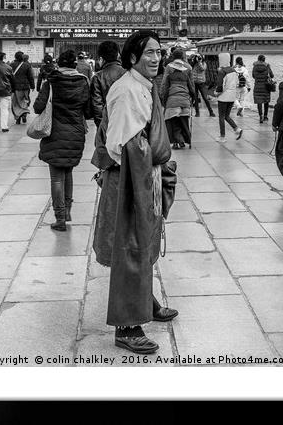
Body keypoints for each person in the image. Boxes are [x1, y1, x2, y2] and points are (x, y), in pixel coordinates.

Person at [91, 30, 178, 354]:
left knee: (145, 240)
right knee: (131, 245)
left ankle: (145, 298)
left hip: (143, 173)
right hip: (130, 177)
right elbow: (123, 145)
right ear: (131, 58)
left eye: (159, 52)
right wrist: (154, 157)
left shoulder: (144, 85)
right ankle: (128, 326)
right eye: (149, 53)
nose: (156, 58)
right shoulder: (127, 90)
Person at [33, 50, 91, 231]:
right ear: (75, 64)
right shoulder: (83, 81)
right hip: (75, 133)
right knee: (68, 172)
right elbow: (88, 111)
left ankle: (60, 218)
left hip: (54, 133)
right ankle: (67, 211)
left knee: (56, 178)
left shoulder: (51, 82)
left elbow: (37, 107)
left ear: (59, 64)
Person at [160, 47, 196, 149]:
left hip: (172, 99)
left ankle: (176, 141)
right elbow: (192, 85)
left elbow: (164, 84)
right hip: (185, 99)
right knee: (183, 121)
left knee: (173, 121)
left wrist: (162, 96)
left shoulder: (168, 67)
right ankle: (183, 140)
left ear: (173, 56)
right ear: (183, 56)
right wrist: (193, 98)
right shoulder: (188, 67)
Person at [89, 40, 126, 128]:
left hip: (106, 124)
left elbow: (97, 105)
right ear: (118, 55)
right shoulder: (128, 74)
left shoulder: (98, 77)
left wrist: (102, 126)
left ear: (101, 58)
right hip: (126, 125)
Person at [214, 62, 243, 143]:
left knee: (221, 117)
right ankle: (237, 129)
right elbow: (237, 83)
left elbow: (220, 86)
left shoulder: (222, 71)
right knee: (226, 116)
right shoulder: (234, 71)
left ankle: (222, 137)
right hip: (231, 97)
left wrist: (216, 93)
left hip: (223, 97)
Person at [10, 51, 35, 125]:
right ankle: (24, 114)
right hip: (25, 87)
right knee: (25, 100)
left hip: (15, 87)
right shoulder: (27, 65)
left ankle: (17, 117)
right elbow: (30, 77)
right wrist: (32, 86)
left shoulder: (11, 65)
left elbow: (10, 76)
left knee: (16, 102)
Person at [252, 54, 274, 123]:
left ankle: (260, 115)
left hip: (257, 86)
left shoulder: (255, 67)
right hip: (265, 86)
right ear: (264, 60)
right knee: (266, 101)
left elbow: (253, 76)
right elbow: (272, 75)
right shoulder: (267, 66)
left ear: (258, 59)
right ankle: (265, 116)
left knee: (259, 102)